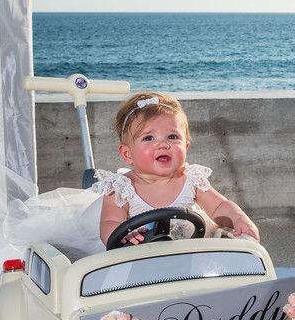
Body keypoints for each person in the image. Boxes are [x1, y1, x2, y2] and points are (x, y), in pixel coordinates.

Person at [93, 92, 259, 245]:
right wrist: (122, 235)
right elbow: (110, 222)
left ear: (186, 146)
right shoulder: (121, 189)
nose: (163, 145)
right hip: (142, 258)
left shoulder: (191, 179)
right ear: (127, 154)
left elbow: (219, 207)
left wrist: (239, 219)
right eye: (148, 138)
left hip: (189, 253)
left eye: (172, 137)